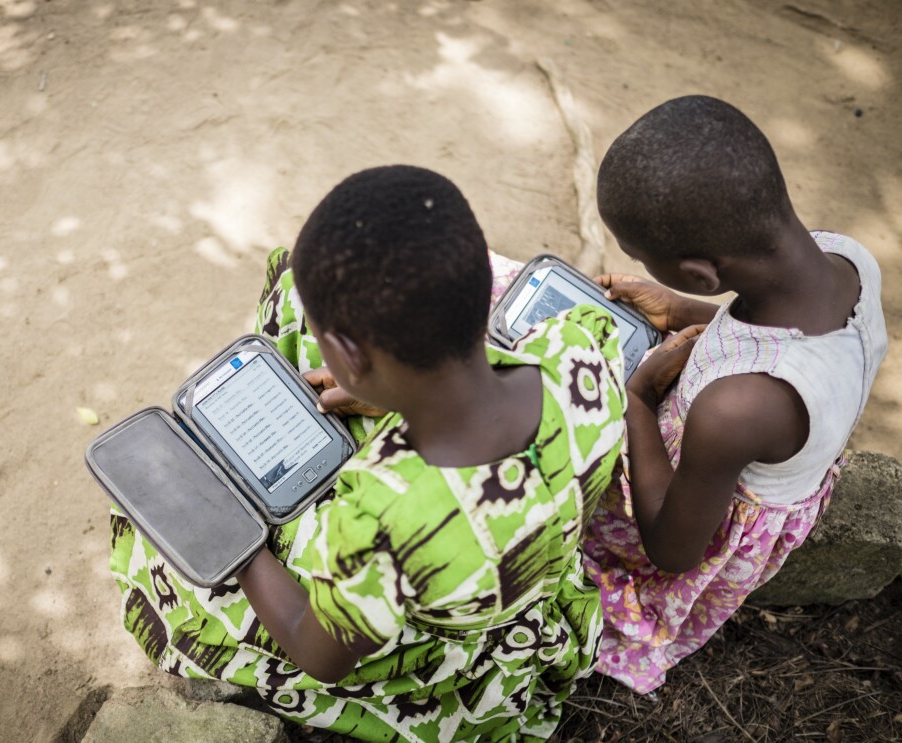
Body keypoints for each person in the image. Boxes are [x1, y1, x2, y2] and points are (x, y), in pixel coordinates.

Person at [109, 165, 627, 740]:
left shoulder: (383, 507)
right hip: (521, 573)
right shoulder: (581, 347)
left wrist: (235, 538)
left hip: (443, 647)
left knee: (158, 531)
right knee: (292, 292)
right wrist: (391, 396)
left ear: (351, 359)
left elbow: (319, 653)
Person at [581, 95, 888, 694]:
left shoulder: (738, 407)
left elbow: (672, 549)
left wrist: (638, 399)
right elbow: (771, 334)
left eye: (645, 257)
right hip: (716, 455)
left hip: (684, 514)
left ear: (701, 270)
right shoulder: (846, 257)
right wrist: (688, 310)